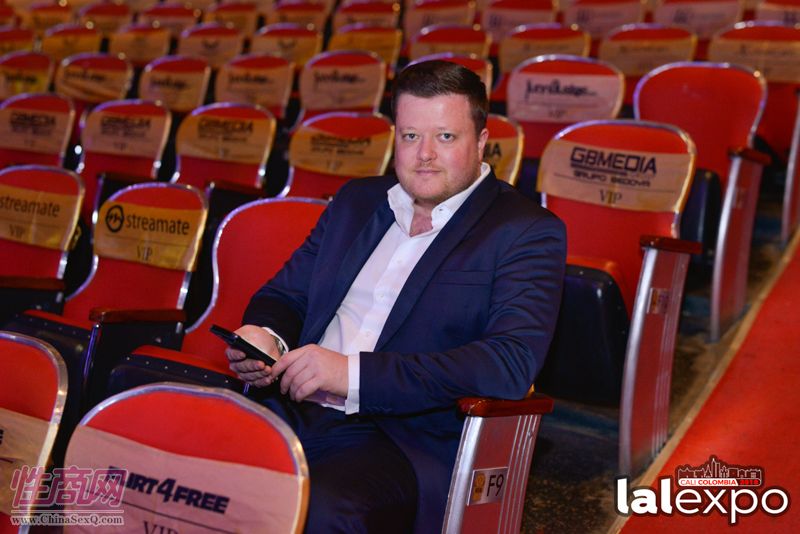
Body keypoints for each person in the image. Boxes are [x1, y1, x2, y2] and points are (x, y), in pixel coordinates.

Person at [226, 60, 566, 533]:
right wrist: (266, 337)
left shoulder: (524, 230)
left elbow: (508, 362)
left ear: (482, 142)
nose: (424, 154)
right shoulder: (357, 201)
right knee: (181, 451)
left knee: (320, 508)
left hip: (400, 437)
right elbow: (286, 294)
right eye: (410, 136)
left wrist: (353, 375)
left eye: (445, 137)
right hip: (290, 406)